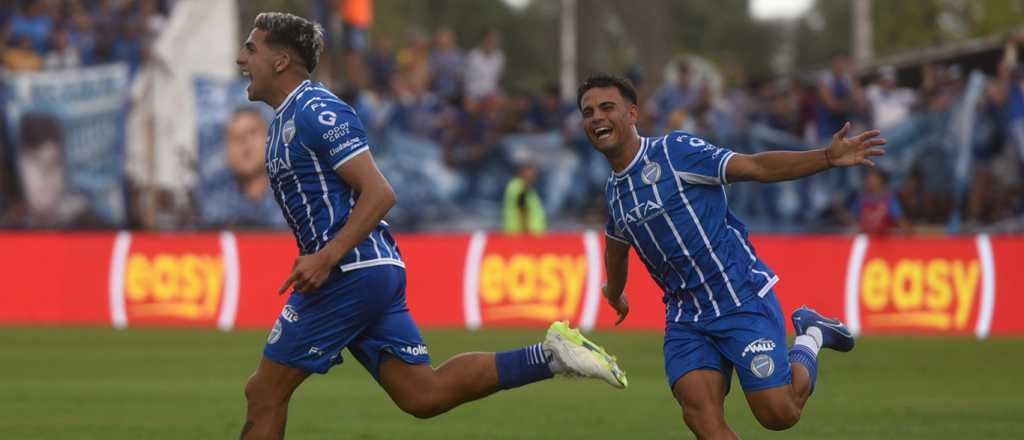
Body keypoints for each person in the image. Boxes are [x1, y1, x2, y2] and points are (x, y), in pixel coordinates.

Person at [236, 13, 626, 439]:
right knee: (423, 394)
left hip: (348, 272)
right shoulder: (283, 121)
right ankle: (551, 356)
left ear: (281, 61)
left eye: (251, 49)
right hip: (365, 269)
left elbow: (379, 193)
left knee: (264, 392)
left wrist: (326, 258)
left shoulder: (316, 109)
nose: (241, 58)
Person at [578, 73, 884, 438]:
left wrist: (826, 157)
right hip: (686, 317)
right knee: (702, 419)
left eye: (606, 107)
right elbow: (616, 250)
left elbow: (755, 166)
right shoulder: (614, 192)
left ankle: (812, 334)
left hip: (739, 296)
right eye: (588, 112)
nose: (597, 117)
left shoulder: (675, 152)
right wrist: (614, 293)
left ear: (632, 114)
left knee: (779, 414)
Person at [502, 162, 546, 235]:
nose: (533, 176)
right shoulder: (521, 188)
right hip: (522, 234)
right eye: (531, 173)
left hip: (516, 233)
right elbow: (522, 211)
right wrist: (526, 232)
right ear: (522, 172)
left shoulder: (517, 186)